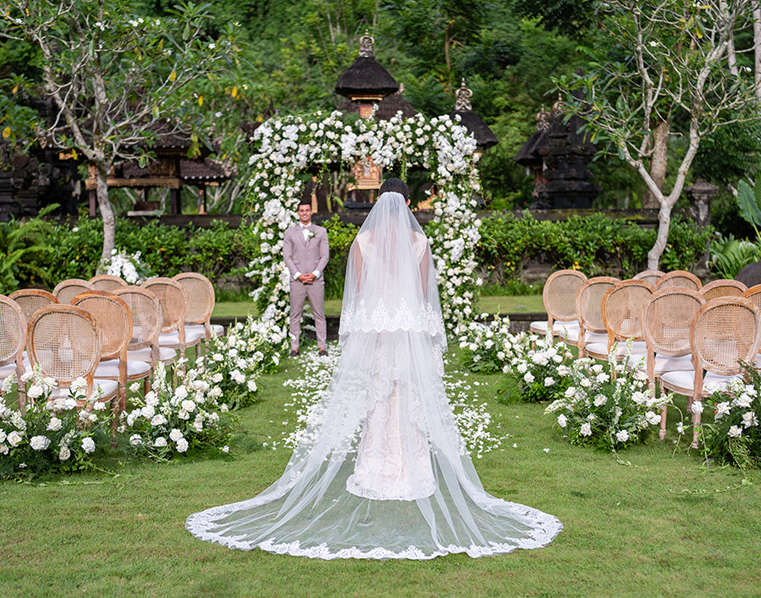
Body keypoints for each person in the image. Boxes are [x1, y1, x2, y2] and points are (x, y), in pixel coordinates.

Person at [186, 179, 561, 560]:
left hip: (378, 329)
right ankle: (411, 470)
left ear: (377, 202)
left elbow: (360, 290)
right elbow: (423, 288)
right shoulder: (419, 243)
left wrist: (362, 324)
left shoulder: (363, 242)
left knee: (378, 393)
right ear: (409, 203)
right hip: (407, 329)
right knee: (406, 394)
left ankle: (374, 468)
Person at [282, 200, 329, 356]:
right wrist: (298, 275)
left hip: (316, 279)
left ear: (311, 212)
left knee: (319, 313)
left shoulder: (321, 232)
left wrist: (315, 274)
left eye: (307, 210)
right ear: (298, 213)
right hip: (297, 280)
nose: (304, 213)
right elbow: (287, 257)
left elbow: (324, 256)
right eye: (301, 210)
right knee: (295, 314)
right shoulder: (289, 233)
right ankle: (294, 347)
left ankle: (322, 347)